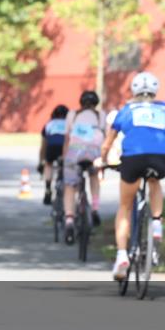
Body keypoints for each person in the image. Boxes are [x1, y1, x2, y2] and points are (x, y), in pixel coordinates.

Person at [99, 72, 165, 281]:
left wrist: (104, 159)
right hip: (161, 158)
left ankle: (121, 256)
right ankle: (156, 222)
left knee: (125, 206)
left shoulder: (127, 110)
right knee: (155, 181)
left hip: (134, 158)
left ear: (134, 91)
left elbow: (109, 142)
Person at [62, 91, 104, 240]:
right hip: (94, 151)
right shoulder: (101, 115)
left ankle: (69, 219)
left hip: (75, 151)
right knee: (94, 176)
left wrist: (64, 157)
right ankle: (94, 208)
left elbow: (67, 138)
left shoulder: (72, 114)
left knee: (70, 186)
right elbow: (103, 136)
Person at [37, 104, 69, 205]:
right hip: (65, 145)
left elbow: (43, 146)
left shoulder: (49, 124)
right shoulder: (69, 123)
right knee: (67, 165)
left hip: (52, 145)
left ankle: (47, 188)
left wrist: (42, 162)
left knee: (49, 164)